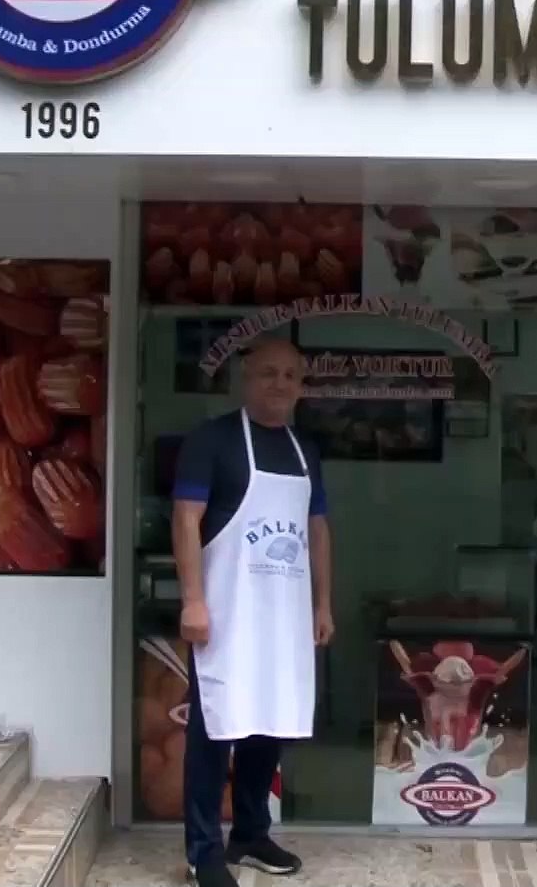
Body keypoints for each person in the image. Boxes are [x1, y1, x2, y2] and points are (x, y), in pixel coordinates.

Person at [171, 338, 335, 887]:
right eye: (268, 373)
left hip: (284, 615)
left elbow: (317, 529)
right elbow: (186, 518)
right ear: (246, 377)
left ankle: (250, 832)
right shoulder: (211, 440)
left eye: (290, 375)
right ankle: (203, 851)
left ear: (301, 385)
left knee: (270, 722)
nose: (279, 383)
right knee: (216, 728)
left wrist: (322, 603)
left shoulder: (304, 450)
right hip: (226, 614)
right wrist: (193, 599)